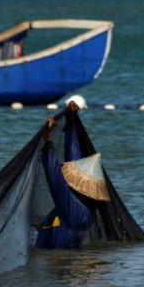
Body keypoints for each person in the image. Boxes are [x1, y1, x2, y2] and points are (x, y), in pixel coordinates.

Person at [36, 102, 108, 249]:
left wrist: (48, 141)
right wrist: (71, 122)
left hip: (62, 265)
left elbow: (55, 179)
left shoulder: (74, 208)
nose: (75, 175)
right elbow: (74, 158)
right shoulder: (85, 205)